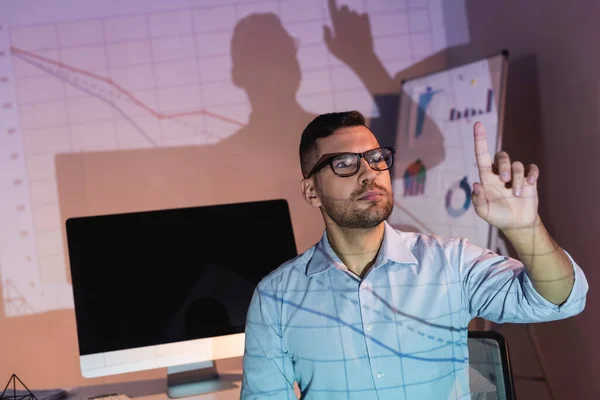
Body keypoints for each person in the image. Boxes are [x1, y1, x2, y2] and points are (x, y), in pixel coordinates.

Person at [240, 111, 588, 399]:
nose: (369, 174)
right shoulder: (276, 298)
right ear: (311, 191)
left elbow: (558, 299)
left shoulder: (450, 263)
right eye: (344, 163)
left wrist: (524, 230)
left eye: (376, 159)